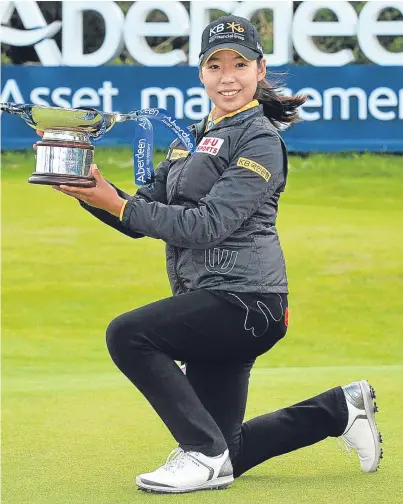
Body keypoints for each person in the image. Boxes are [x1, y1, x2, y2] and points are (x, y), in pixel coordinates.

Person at [46, 15, 383, 494]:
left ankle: (199, 453)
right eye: (215, 65)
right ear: (200, 73)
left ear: (259, 69)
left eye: (239, 64)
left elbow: (206, 226)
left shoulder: (261, 139)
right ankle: (339, 408)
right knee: (231, 451)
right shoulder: (193, 138)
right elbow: (147, 214)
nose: (228, 76)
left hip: (248, 303)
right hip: (213, 300)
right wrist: (90, 191)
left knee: (129, 334)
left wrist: (119, 204)